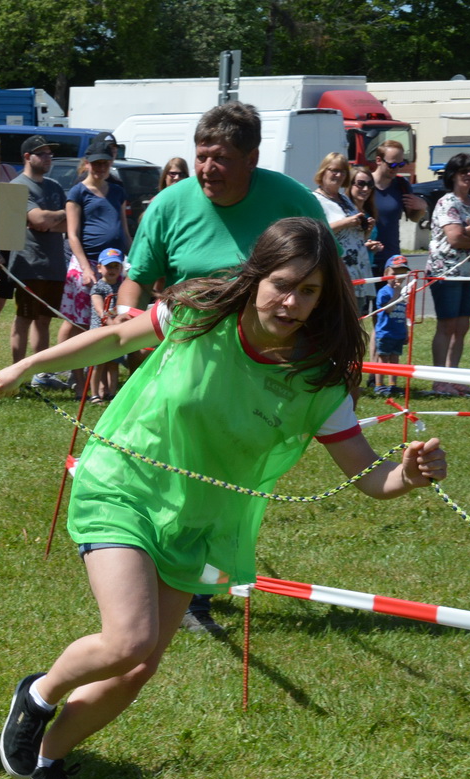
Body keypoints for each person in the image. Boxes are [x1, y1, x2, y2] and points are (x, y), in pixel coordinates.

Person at [0, 217, 447, 779]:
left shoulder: (318, 382)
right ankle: (38, 695)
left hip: (199, 523)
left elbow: (369, 478)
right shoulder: (199, 315)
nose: (292, 301)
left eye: (310, 291)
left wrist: (409, 474)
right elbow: (119, 338)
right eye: (282, 282)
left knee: (139, 667)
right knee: (130, 638)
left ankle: (42, 760)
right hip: (122, 486)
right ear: (255, 277)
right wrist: (27, 365)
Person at [117, 101, 327, 638]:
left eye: (222, 158)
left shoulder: (293, 204)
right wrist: (126, 311)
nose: (208, 168)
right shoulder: (170, 204)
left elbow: (321, 285)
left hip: (257, 375)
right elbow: (138, 278)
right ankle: (156, 577)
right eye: (201, 155)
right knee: (168, 480)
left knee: (224, 485)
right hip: (182, 368)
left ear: (253, 157)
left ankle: (197, 589)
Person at [425, 152, 470, 372]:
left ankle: (454, 376)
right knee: (447, 325)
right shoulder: (447, 202)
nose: (468, 175)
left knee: (462, 326)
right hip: (446, 272)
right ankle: (440, 378)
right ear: (453, 175)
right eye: (463, 171)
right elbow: (455, 238)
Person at [58, 147, 128, 366]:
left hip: (114, 263)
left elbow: (124, 231)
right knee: (75, 321)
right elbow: (72, 234)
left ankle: (99, 369)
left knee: (109, 315)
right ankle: (55, 367)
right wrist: (85, 268)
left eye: (105, 164)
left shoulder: (117, 192)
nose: (101, 168)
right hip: (86, 262)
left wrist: (133, 259)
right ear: (87, 163)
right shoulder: (78, 192)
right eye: (96, 163)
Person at [6, 136, 70, 369]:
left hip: (54, 264)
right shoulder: (18, 186)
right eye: (41, 154)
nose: (47, 158)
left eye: (49, 154)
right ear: (27, 157)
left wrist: (50, 218)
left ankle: (40, 373)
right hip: (29, 264)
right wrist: (51, 217)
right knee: (24, 318)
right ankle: (17, 369)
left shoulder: (54, 186)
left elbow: (66, 224)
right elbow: (38, 219)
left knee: (44, 320)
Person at [311, 152, 373, 317]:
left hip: (357, 272)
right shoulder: (315, 200)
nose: (338, 175)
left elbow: (353, 239)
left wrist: (366, 230)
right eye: (334, 170)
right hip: (336, 271)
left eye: (343, 171)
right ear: (323, 171)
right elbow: (316, 232)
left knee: (355, 323)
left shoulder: (345, 200)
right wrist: (346, 222)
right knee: (336, 322)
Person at [368, 140, 428, 274]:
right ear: (379, 160)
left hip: (391, 258)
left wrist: (422, 207)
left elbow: (413, 217)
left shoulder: (401, 185)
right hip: (366, 256)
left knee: (391, 295)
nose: (396, 169)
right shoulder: (363, 184)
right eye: (392, 164)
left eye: (401, 164)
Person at [84, 248, 127, 403]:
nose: (112, 270)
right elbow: (100, 310)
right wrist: (112, 323)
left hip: (115, 330)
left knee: (113, 363)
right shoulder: (98, 287)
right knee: (98, 364)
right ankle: (94, 394)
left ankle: (111, 392)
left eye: (116, 266)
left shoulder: (122, 287)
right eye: (109, 266)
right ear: (99, 268)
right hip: (100, 331)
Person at [371, 254, 411, 392]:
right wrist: (396, 294)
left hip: (398, 332)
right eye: (394, 274)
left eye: (402, 274)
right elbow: (388, 310)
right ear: (386, 274)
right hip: (385, 332)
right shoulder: (384, 292)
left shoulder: (401, 294)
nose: (398, 278)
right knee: (383, 359)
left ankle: (393, 385)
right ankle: (379, 385)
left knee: (395, 360)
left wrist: (406, 331)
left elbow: (403, 313)